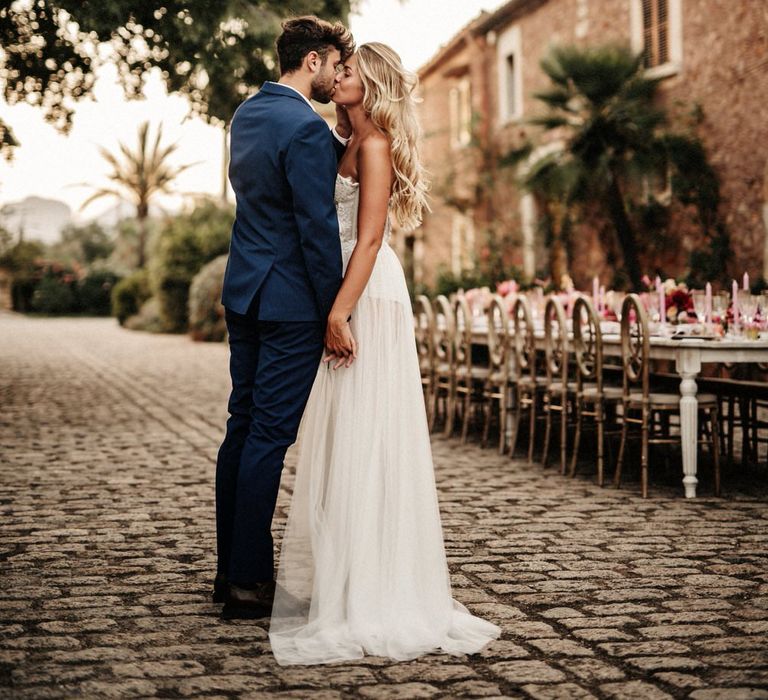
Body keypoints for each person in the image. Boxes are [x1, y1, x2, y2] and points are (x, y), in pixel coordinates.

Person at [269, 42, 501, 665]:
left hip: (367, 293)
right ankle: (349, 576)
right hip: (345, 288)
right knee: (348, 435)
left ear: (368, 82)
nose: (337, 76)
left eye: (346, 71)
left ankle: (378, 589)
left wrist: (339, 310)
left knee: (371, 434)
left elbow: (369, 239)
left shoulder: (373, 148)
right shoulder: (345, 140)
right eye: (337, 67)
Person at [214, 16, 356, 620]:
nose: (335, 78)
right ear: (317, 60)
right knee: (269, 436)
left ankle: (230, 571)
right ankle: (249, 583)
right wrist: (334, 310)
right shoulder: (304, 127)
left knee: (241, 428)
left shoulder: (246, 114)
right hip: (292, 303)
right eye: (335, 66)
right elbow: (317, 228)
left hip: (244, 292)